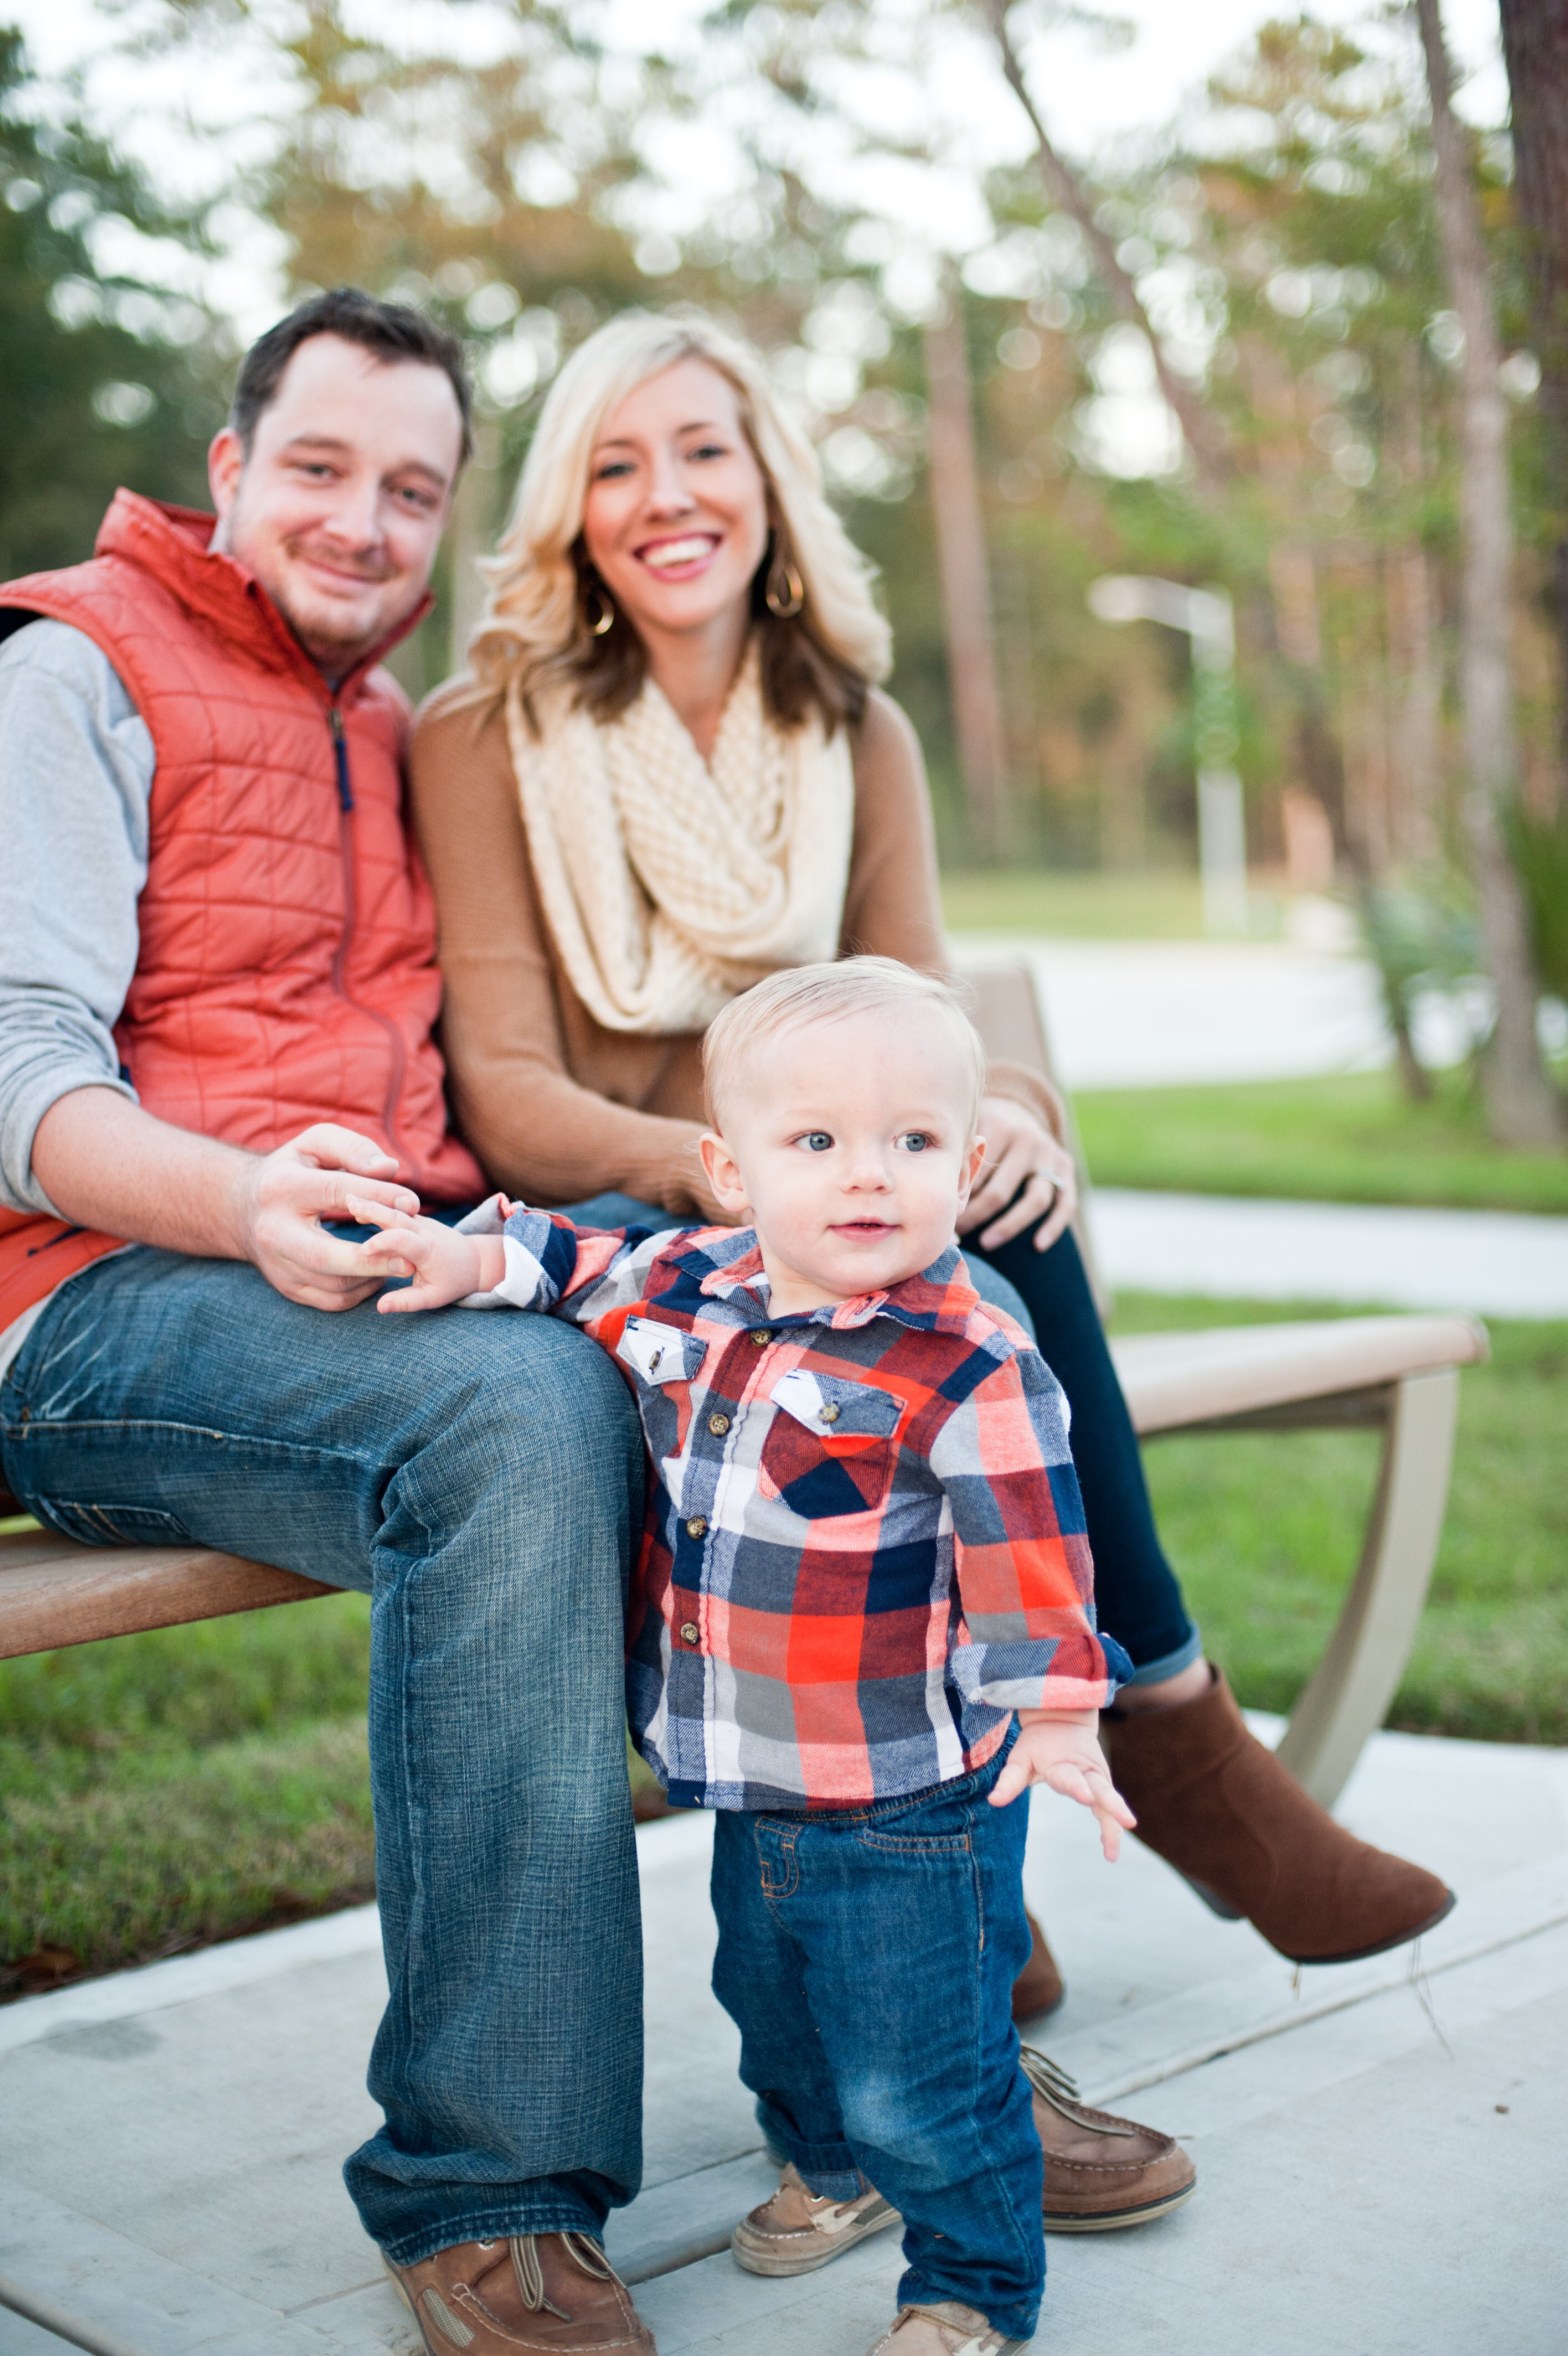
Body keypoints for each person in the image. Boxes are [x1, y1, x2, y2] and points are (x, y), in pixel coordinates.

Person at [411, 305, 1454, 2012]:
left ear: (766, 479)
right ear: (570, 514)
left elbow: (924, 1011)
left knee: (995, 1218)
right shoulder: (486, 730)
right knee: (921, 1291)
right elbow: (513, 1093)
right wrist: (753, 1179)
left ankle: (1127, 1740)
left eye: (702, 449)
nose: (666, 495)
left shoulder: (852, 730)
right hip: (633, 1220)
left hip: (825, 1202)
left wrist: (1003, 1109)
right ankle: (1101, 1787)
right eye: (615, 464)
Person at [0, 290, 660, 2355]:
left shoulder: (392, 726)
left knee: (793, 1298)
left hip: (370, 1275)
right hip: (90, 1305)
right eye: (317, 467)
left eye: (410, 487)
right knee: (517, 1415)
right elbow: (15, 1068)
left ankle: (908, 2036)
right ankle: (492, 2188)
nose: (363, 522)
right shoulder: (76, 668)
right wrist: (242, 1202)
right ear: (227, 468)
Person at [345, 955, 1144, 2356]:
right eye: (816, 1140)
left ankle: (971, 2288)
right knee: (773, 2012)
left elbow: (1035, 1557)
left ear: (966, 1166)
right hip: (748, 1774)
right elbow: (576, 1262)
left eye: (913, 1141)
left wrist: (1063, 1716)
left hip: (908, 1801)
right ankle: (830, 2170)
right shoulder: (692, 1286)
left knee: (924, 2073)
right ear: (730, 1170)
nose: (868, 1174)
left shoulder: (972, 1364)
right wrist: (474, 1260)